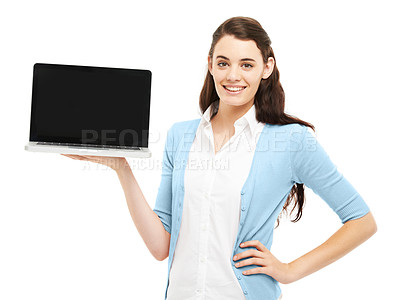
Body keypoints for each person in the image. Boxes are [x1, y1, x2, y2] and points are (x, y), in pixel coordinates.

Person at [63, 16, 377, 300]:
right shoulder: (181, 136)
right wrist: (122, 168)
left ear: (267, 67)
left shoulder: (291, 141)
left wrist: (290, 270)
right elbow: (161, 246)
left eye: (247, 64)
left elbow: (362, 221)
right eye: (224, 63)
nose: (233, 76)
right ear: (210, 63)